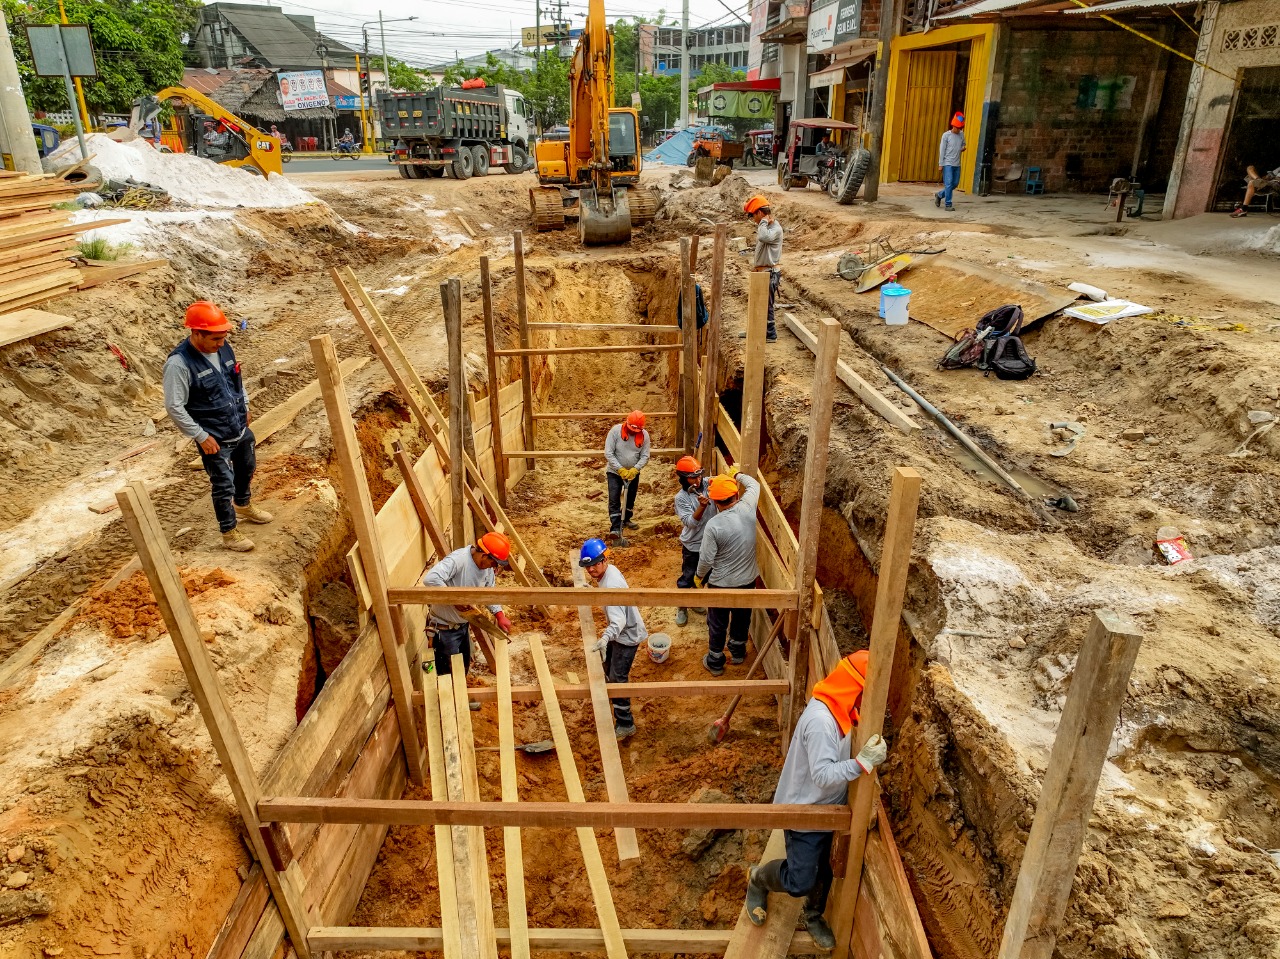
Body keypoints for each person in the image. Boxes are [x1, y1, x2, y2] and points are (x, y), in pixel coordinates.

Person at [741, 651, 887, 949]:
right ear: (853, 688)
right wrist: (862, 764)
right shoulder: (822, 722)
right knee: (800, 881)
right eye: (864, 694)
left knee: (827, 866)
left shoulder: (840, 712)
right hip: (804, 811)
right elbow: (822, 775)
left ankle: (814, 915)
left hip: (828, 807)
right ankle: (758, 879)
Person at [165, 301, 272, 552]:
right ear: (196, 333)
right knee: (223, 484)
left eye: (223, 337)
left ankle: (243, 505)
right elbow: (174, 406)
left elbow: (236, 379)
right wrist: (200, 436)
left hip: (238, 426)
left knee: (247, 467)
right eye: (215, 339)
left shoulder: (224, 348)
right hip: (214, 437)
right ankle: (229, 532)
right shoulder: (179, 364)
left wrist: (244, 405)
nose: (220, 344)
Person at [422, 532, 514, 698]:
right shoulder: (459, 560)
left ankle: (460, 698)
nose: (495, 567)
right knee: (446, 673)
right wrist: (454, 599)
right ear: (484, 554)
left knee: (463, 665)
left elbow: (489, 592)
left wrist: (499, 615)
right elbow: (431, 579)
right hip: (443, 628)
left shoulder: (488, 570)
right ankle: (450, 708)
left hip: (462, 625)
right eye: (494, 562)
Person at [695, 465, 760, 675]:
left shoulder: (714, 525)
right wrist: (736, 475)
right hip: (748, 581)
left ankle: (715, 661)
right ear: (736, 494)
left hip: (720, 584)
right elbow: (754, 484)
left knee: (717, 622)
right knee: (742, 618)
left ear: (715, 502)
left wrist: (698, 577)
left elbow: (705, 559)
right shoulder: (748, 507)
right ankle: (738, 652)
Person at [579, 537, 647, 739]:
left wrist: (605, 638)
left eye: (593, 565)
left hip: (626, 637)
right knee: (610, 669)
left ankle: (626, 723)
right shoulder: (608, 573)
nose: (590, 570)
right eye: (587, 566)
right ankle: (611, 692)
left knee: (618, 678)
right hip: (621, 633)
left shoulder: (612, 584)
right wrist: (594, 591)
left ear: (604, 560)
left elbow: (618, 623)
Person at [672, 455, 715, 627]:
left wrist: (733, 475)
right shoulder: (681, 498)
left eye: (699, 476)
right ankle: (682, 606)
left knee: (704, 576)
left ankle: (696, 600)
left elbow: (720, 481)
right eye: (693, 477)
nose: (697, 480)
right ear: (683, 478)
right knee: (688, 576)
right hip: (693, 545)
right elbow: (690, 523)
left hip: (711, 543)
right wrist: (702, 507)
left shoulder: (707, 484)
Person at [604, 410, 651, 538]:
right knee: (614, 499)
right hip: (614, 472)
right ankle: (615, 527)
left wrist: (635, 469)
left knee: (630, 497)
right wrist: (620, 469)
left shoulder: (644, 435)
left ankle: (626, 520)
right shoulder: (615, 431)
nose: (633, 433)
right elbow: (608, 453)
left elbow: (645, 456)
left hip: (632, 473)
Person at [742, 195, 781, 342]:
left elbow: (763, 237)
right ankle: (755, 330)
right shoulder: (767, 228)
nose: (754, 220)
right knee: (757, 301)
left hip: (770, 274)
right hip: (762, 272)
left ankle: (770, 334)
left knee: (766, 304)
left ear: (760, 213)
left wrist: (763, 222)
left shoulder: (774, 229)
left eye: (754, 216)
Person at [935, 112, 965, 212]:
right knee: (948, 184)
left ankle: (939, 195)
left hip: (957, 164)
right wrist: (941, 164)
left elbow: (963, 144)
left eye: (960, 128)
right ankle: (948, 204)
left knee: (955, 184)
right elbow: (942, 150)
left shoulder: (961, 135)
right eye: (957, 127)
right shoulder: (946, 136)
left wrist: (962, 148)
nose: (958, 129)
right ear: (953, 126)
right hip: (948, 163)